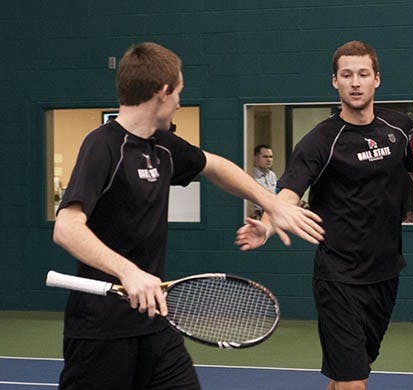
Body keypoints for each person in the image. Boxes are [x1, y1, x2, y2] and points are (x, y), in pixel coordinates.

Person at [52, 42, 325, 390]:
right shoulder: (103, 146)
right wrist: (128, 271)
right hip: (100, 332)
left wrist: (271, 203)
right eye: (179, 92)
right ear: (162, 93)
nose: (181, 100)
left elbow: (215, 167)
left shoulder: (163, 145)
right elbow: (66, 227)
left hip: (153, 322)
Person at [235, 40, 413, 390]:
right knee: (355, 381)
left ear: (377, 80)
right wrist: (267, 225)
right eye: (347, 74)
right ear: (334, 81)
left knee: (347, 376)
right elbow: (289, 194)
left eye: (363, 74)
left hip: (385, 272)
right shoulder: (320, 141)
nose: (355, 82)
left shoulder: (399, 127)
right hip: (338, 277)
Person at [253, 144, 278, 219]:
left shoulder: (272, 175)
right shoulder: (250, 175)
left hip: (273, 215)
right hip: (258, 215)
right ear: (255, 158)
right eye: (265, 157)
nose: (269, 160)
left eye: (271, 157)